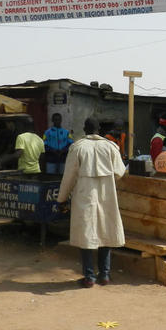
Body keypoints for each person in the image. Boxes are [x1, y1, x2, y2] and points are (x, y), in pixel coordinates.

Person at [57, 117, 127, 287]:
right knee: (106, 231)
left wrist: (62, 198)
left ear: (84, 129)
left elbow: (69, 177)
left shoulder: (77, 147)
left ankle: (89, 277)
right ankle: (105, 274)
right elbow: (120, 172)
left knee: (85, 233)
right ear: (100, 129)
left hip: (84, 195)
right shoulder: (111, 147)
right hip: (106, 194)